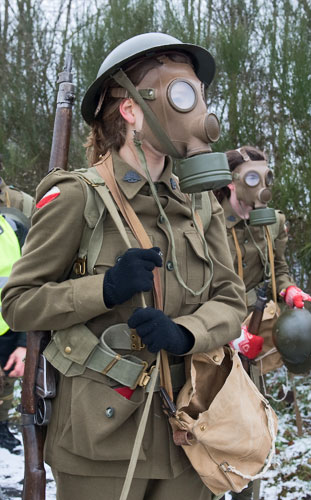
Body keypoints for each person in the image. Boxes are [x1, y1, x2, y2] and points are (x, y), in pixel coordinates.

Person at [1, 32, 246, 500]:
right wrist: (105, 288)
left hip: (189, 429)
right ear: (131, 110)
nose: (193, 109)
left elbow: (233, 297)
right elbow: (18, 303)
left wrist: (187, 332)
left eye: (195, 95)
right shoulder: (76, 196)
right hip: (102, 440)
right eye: (179, 94)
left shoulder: (198, 203)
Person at [214, 145, 311, 500]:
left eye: (267, 177)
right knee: (211, 430)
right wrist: (228, 333)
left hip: (253, 340)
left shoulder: (273, 222)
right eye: (253, 178)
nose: (262, 185)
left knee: (252, 432)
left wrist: (288, 291)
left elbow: (278, 270)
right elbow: (194, 288)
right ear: (231, 182)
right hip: (211, 341)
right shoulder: (205, 222)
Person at [0, 161, 34, 453]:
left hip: (10, 317)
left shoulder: (19, 205)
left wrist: (25, 337)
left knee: (6, 378)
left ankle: (3, 428)